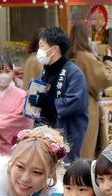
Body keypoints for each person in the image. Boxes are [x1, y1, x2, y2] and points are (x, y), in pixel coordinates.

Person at [28, 26, 89, 164]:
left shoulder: (74, 72)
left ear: (54, 49)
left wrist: (47, 102)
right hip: (44, 132)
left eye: (42, 46)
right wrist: (33, 101)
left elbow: (75, 102)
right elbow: (37, 98)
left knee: (63, 169)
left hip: (66, 132)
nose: (39, 50)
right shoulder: (45, 71)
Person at [67, 22, 112, 158]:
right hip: (86, 107)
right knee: (87, 151)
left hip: (71, 108)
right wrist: (109, 61)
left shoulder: (69, 57)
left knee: (74, 149)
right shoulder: (85, 57)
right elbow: (106, 77)